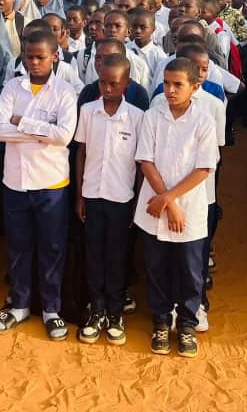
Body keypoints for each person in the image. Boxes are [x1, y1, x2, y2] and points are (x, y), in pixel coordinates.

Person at [0, 30, 78, 339]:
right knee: (18, 245)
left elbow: (64, 135)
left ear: (55, 55)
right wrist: (44, 130)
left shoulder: (65, 92)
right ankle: (20, 304)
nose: (34, 62)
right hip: (15, 181)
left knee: (52, 246)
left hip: (51, 183)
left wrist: (22, 122)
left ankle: (51, 309)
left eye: (40, 56)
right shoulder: (12, 88)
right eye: (29, 56)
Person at [134, 58, 218, 358]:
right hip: (155, 206)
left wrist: (170, 200)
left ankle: (186, 323)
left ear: (195, 87)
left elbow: (203, 169)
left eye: (178, 85)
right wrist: (166, 202)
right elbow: (145, 160)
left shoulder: (204, 122)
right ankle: (160, 319)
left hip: (188, 209)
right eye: (166, 83)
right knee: (156, 266)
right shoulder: (152, 117)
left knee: (190, 270)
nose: (170, 90)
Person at [73, 54, 145, 345]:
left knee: (117, 256)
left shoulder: (138, 117)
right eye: (102, 82)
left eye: (114, 83)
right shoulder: (89, 111)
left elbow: (141, 164)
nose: (107, 88)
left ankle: (115, 311)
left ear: (126, 83)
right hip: (92, 195)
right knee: (93, 254)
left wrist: (136, 202)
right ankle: (97, 309)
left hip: (121, 198)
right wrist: (79, 195)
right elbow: (81, 153)